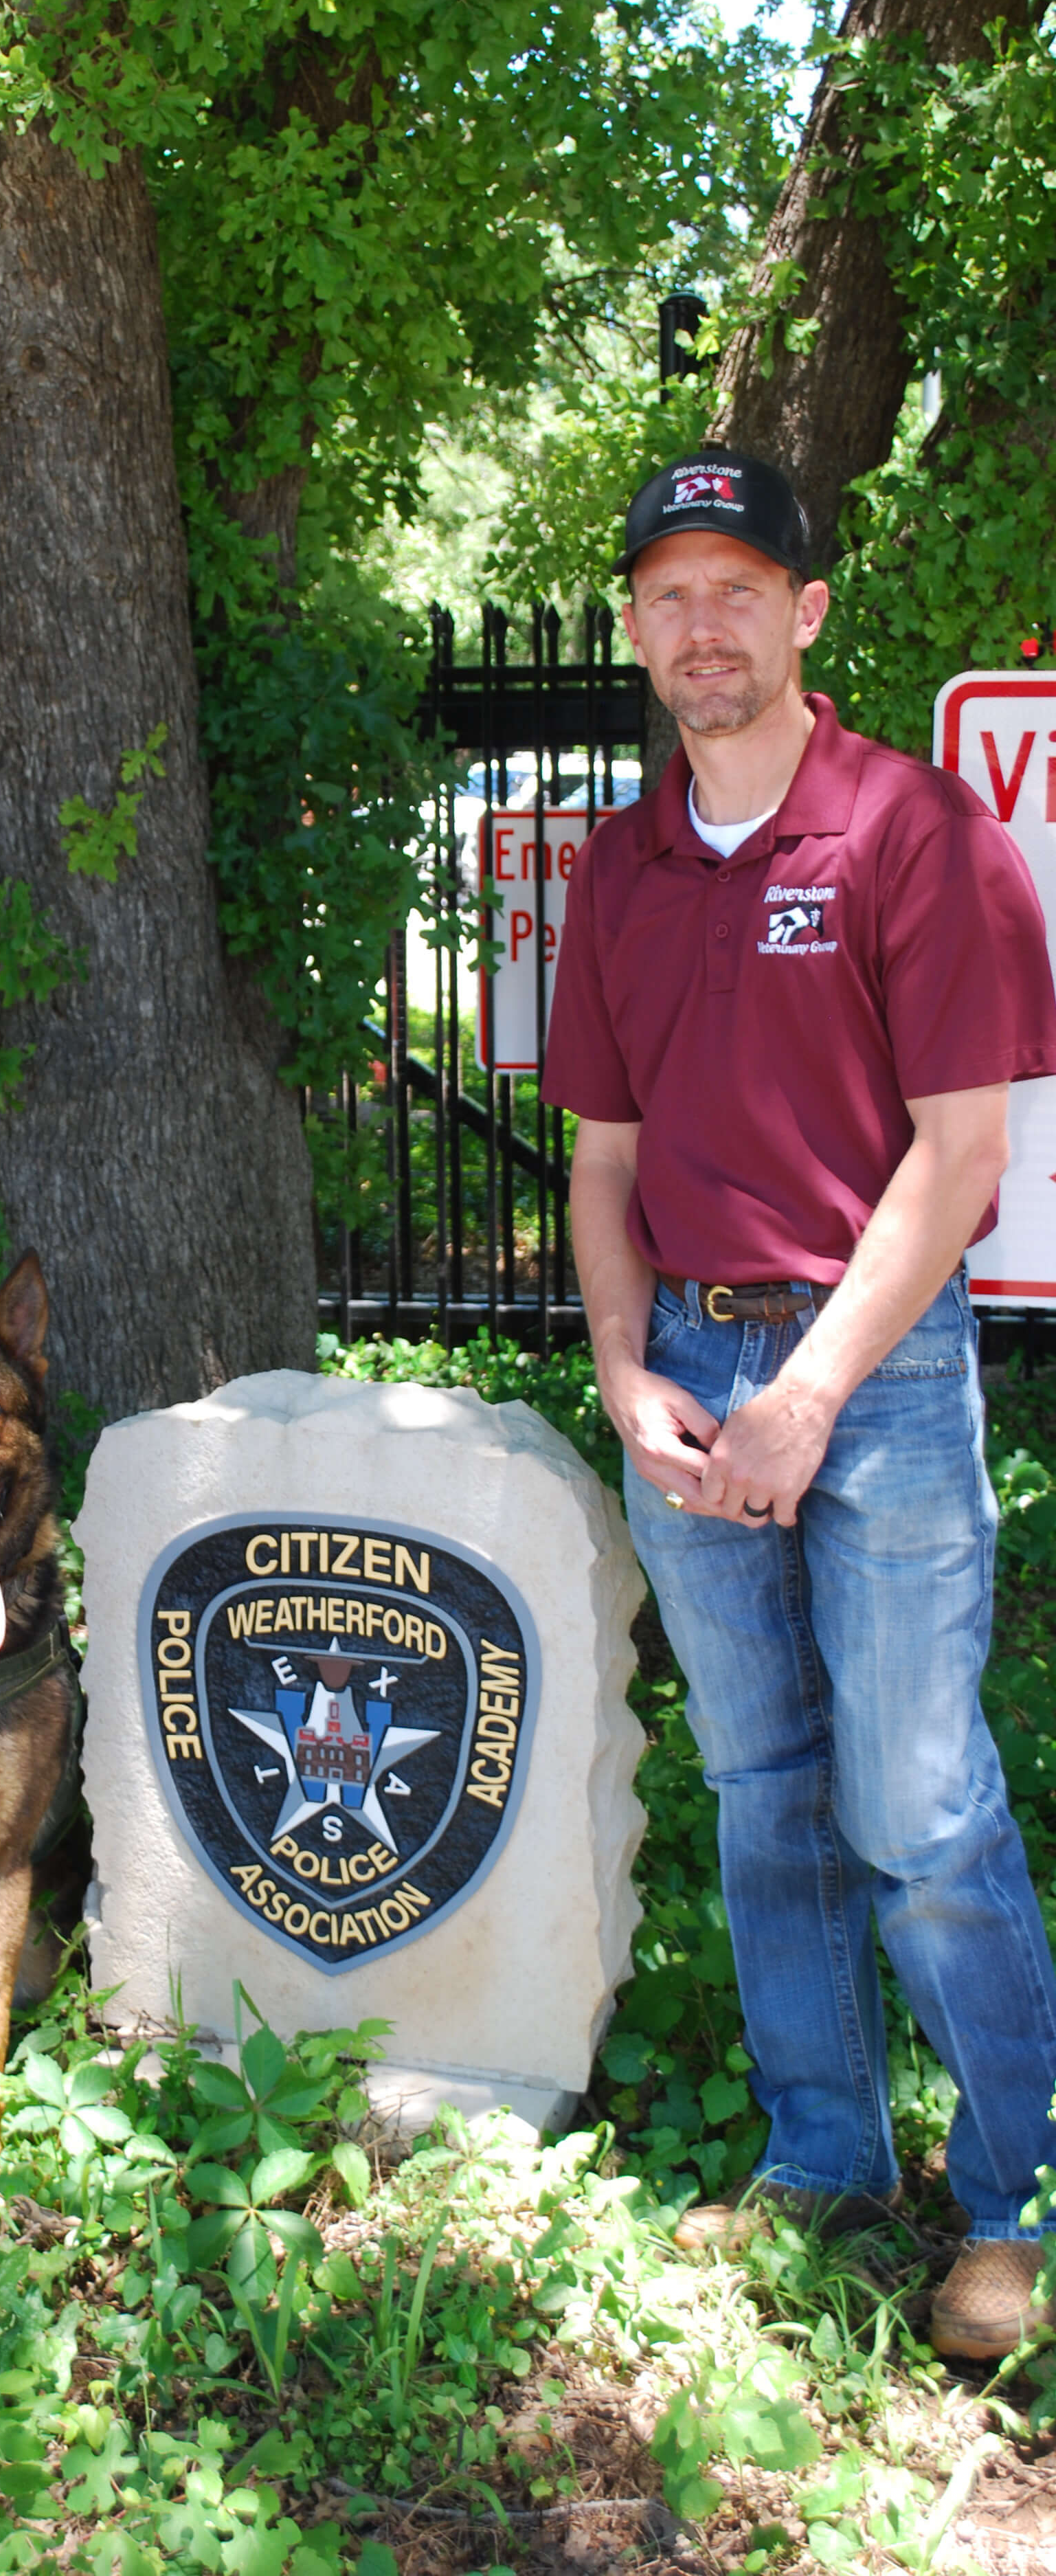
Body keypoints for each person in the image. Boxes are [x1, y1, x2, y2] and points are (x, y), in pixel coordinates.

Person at [543, 444, 1056, 2365]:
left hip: (881, 1371)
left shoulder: (916, 829)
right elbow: (599, 1159)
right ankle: (828, 2156)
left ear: (805, 611)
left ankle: (1024, 2197)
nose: (701, 623)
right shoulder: (622, 860)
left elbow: (959, 1158)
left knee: (918, 1800)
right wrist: (624, 1376)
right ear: (637, 629)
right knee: (765, 1796)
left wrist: (812, 1392)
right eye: (668, 592)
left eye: (736, 586)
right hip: (684, 1359)